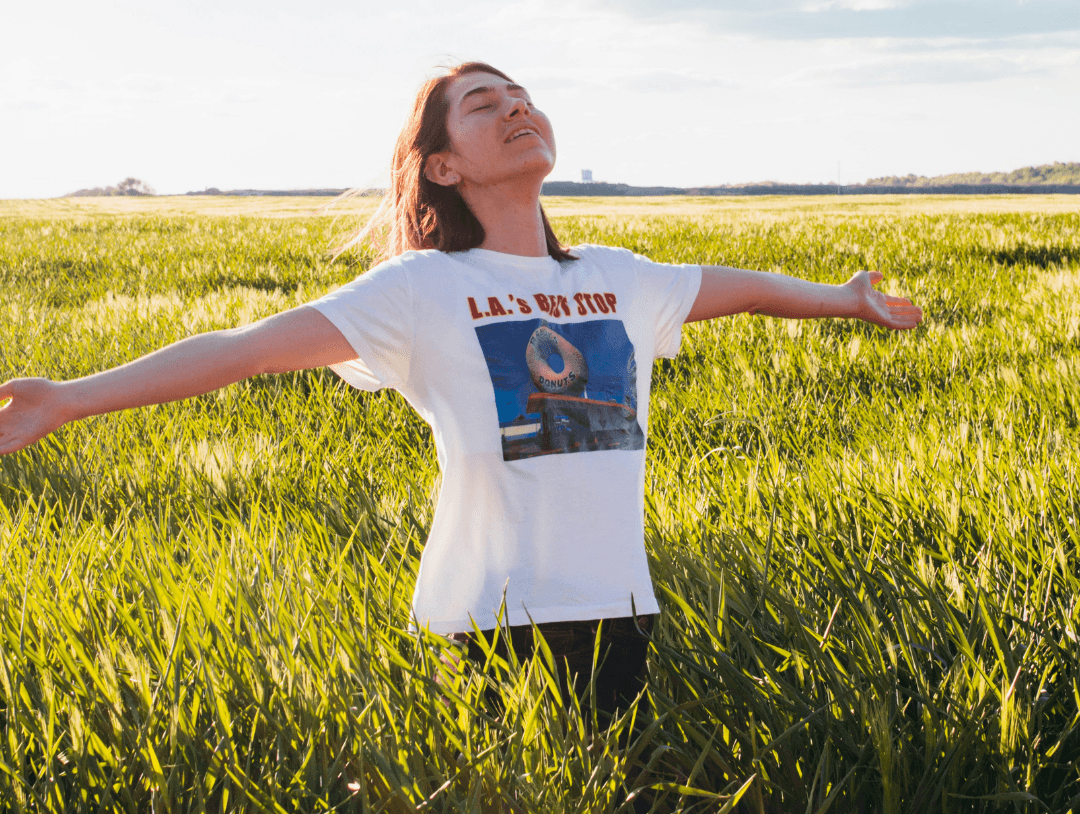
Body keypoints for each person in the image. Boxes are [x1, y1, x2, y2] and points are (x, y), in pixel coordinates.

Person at [0, 61, 922, 715]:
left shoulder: (619, 274)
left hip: (619, 610)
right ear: (443, 165)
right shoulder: (421, 288)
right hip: (489, 621)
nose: (517, 106)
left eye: (523, 96)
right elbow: (244, 349)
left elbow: (751, 289)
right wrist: (71, 397)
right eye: (485, 105)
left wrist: (846, 301)